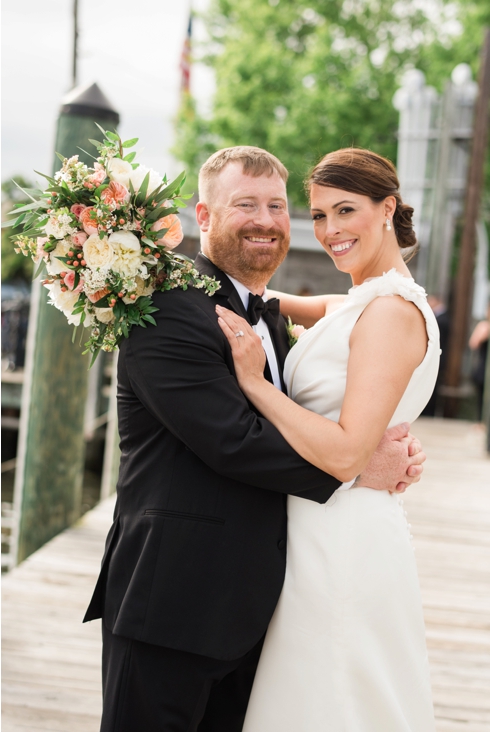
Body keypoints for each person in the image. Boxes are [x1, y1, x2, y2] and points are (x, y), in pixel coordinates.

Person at [83, 146, 427, 731]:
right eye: (245, 204)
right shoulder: (167, 310)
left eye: (276, 206)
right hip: (172, 602)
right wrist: (356, 465)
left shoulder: (264, 314)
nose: (266, 220)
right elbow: (234, 440)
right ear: (205, 217)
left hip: (258, 607)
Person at [214, 148, 437, 730]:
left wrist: (255, 384)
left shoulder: (389, 312)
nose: (330, 231)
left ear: (386, 208)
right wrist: (186, 274)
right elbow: (276, 302)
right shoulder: (360, 302)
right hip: (313, 532)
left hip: (341, 542)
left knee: (331, 701)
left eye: (345, 211)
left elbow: (344, 453)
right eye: (317, 216)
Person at [470, 303, 489, 420]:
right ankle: (480, 420)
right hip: (484, 365)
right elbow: (473, 344)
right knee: (481, 396)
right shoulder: (483, 326)